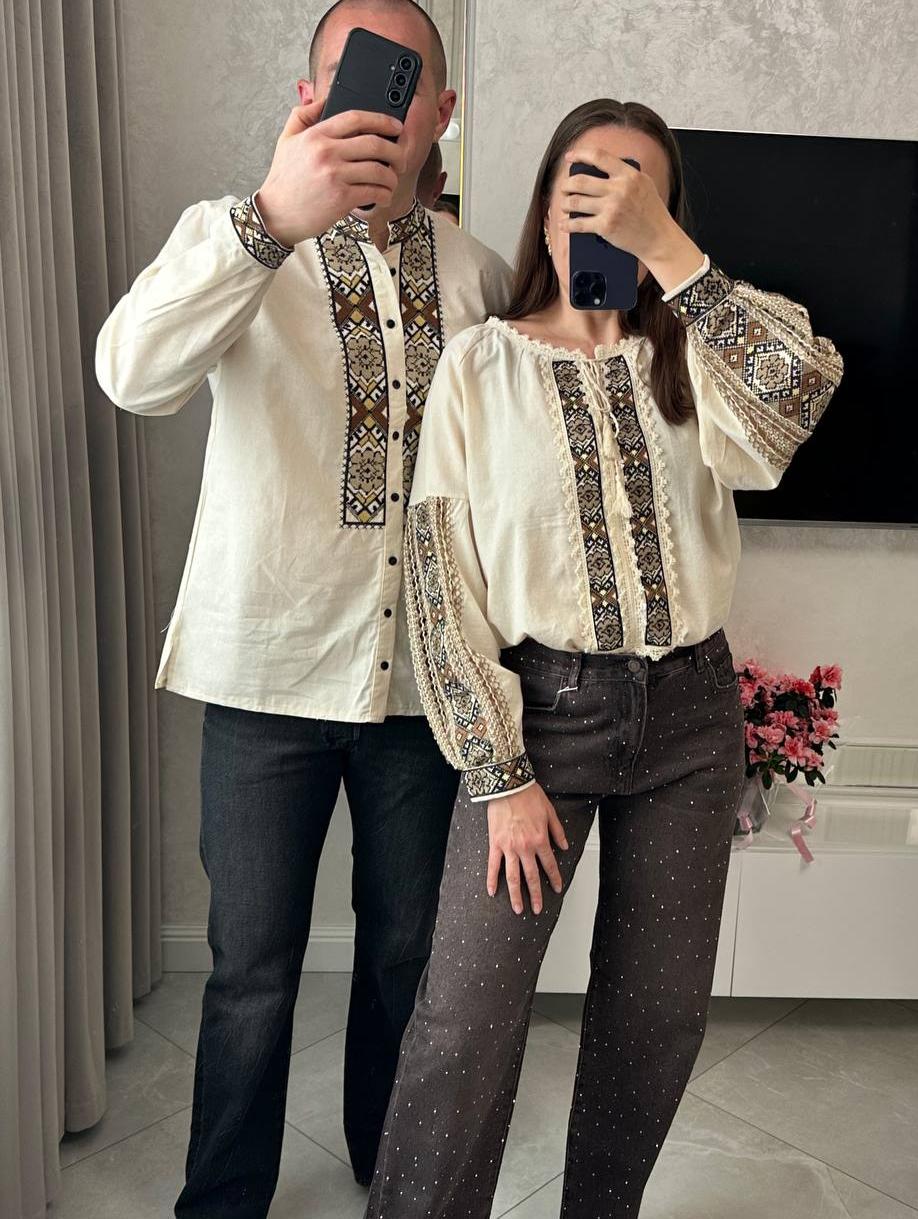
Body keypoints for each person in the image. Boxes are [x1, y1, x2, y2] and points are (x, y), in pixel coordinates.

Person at [365, 97, 843, 1218]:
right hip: (540, 719)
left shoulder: (698, 359)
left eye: (639, 184)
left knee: (656, 1016)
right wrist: (500, 776)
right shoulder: (480, 367)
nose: (608, 198)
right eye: (586, 176)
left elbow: (802, 387)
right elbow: (440, 580)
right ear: (546, 202)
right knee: (466, 1019)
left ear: (667, 210)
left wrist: (672, 258)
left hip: (691, 718)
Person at [94, 1, 511, 1215]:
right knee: (251, 970)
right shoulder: (229, 239)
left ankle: (394, 1172)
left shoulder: (479, 275)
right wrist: (271, 221)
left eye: (405, 82)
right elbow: (131, 374)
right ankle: (223, 1199)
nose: (380, 104)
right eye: (351, 77)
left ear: (441, 111)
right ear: (308, 95)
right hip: (264, 676)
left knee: (405, 954)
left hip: (419, 687)